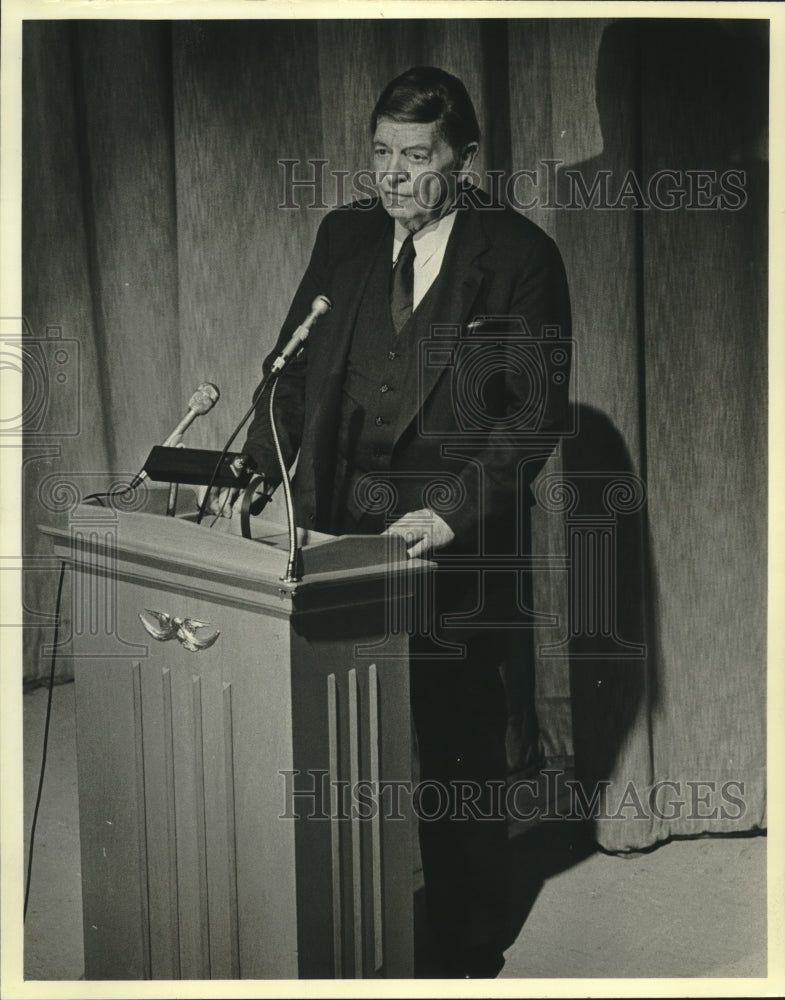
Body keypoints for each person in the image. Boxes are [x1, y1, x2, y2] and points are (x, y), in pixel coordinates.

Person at [208, 66, 572, 979]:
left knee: (457, 748)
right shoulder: (344, 236)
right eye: (381, 153)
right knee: (337, 738)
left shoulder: (520, 257)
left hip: (452, 541)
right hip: (335, 528)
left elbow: (529, 420)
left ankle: (462, 946)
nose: (393, 177)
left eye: (417, 157)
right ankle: (342, 925)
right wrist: (262, 469)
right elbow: (287, 372)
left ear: (466, 161)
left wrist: (444, 517)